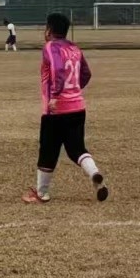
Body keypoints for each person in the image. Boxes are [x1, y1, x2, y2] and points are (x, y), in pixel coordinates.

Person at [22, 12, 108, 204]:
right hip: (78, 107)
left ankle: (42, 192)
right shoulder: (75, 48)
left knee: (48, 150)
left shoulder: (50, 47)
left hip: (56, 110)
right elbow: (86, 74)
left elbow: (59, 69)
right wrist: (74, 90)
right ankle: (94, 173)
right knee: (77, 149)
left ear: (50, 30)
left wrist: (56, 95)